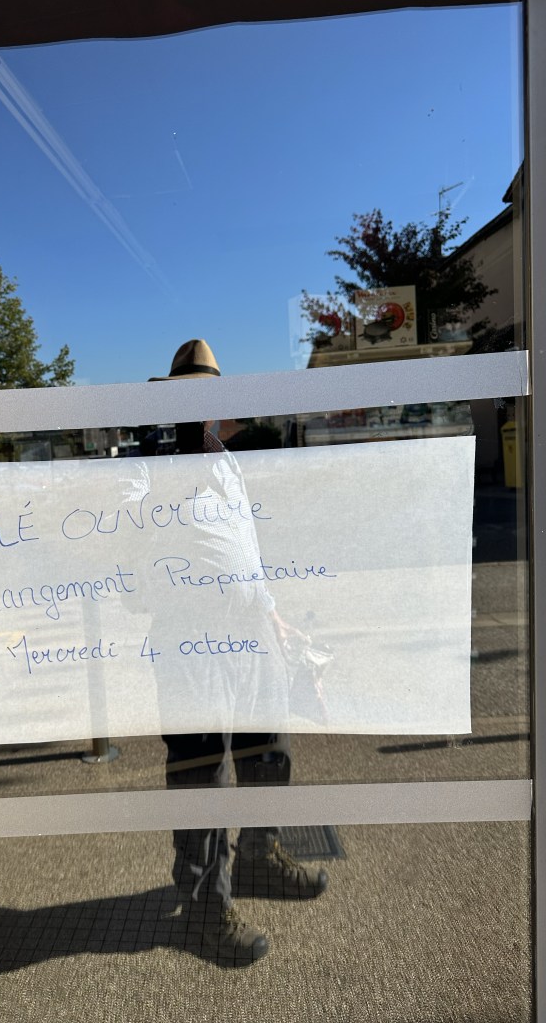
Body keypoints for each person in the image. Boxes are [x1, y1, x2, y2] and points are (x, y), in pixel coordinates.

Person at [146, 339, 329, 967]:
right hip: (191, 636)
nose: (202, 411)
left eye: (210, 400)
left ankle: (258, 856)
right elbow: (127, 543)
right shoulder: (151, 465)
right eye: (190, 400)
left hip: (251, 629)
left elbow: (244, 544)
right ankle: (204, 909)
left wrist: (271, 611)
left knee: (267, 749)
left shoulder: (227, 462)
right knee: (202, 771)